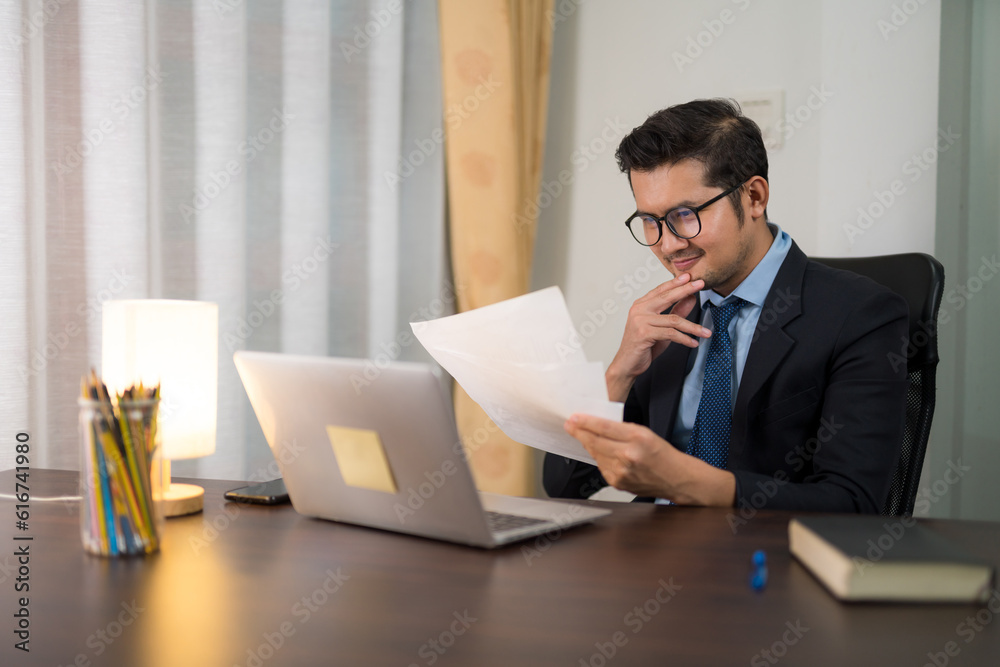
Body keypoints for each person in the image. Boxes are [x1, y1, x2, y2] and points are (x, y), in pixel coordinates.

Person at [544, 99, 908, 513]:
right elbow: (565, 484)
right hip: (650, 558)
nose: (667, 244)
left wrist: (684, 481)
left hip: (765, 564)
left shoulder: (861, 315)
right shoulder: (665, 319)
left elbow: (853, 505)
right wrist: (620, 371)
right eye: (650, 221)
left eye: (685, 214)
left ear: (754, 197)